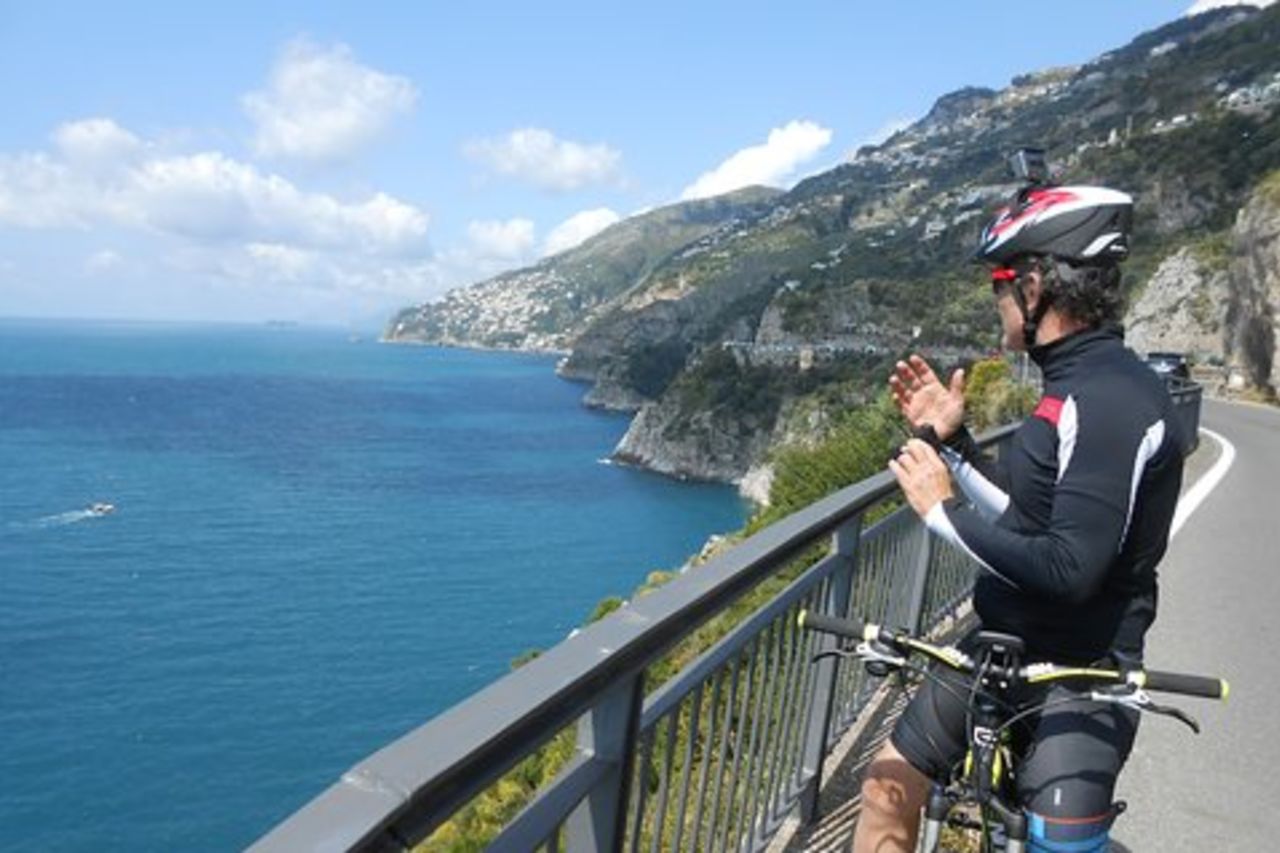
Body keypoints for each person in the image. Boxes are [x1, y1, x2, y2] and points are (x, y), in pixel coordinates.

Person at [856, 182, 1188, 852]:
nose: (996, 302)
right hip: (1004, 647)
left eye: (999, 285)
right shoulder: (1068, 387)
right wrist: (955, 443)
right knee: (886, 786)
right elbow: (1031, 515)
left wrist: (942, 510)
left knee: (1057, 841)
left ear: (1034, 286)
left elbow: (1068, 568)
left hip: (1084, 671)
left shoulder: (1111, 400)